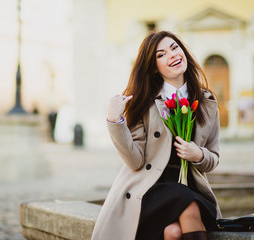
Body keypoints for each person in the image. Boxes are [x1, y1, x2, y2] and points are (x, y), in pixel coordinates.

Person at [91, 31, 221, 240]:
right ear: (153, 68)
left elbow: (213, 159)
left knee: (173, 232)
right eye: (161, 55)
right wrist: (115, 121)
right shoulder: (145, 102)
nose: (172, 55)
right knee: (185, 201)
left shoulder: (206, 102)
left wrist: (198, 154)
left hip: (190, 186)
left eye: (174, 47)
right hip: (150, 190)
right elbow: (135, 161)